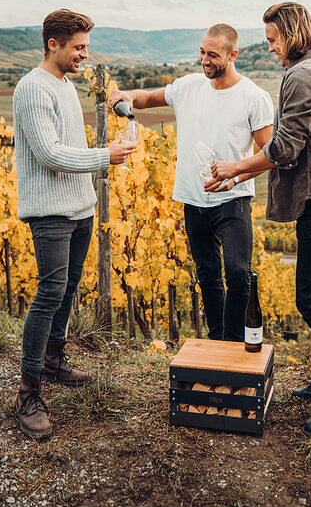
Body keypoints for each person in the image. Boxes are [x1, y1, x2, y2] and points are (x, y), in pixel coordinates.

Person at [211, 2, 311, 437]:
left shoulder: (302, 76)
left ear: (293, 34)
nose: (271, 48)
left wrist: (235, 168)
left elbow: (285, 148)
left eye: (274, 40)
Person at [107, 24, 274, 342]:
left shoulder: (254, 97)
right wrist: (128, 95)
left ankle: (235, 342)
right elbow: (145, 99)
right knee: (207, 275)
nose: (205, 60)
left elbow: (269, 156)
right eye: (202, 52)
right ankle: (218, 342)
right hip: (193, 200)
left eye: (213, 54)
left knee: (238, 274)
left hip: (232, 199)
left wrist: (236, 176)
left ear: (233, 55)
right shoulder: (188, 87)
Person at [13, 9, 134, 439]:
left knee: (67, 288)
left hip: (81, 206)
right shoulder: (32, 88)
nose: (85, 54)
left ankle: (53, 360)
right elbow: (49, 154)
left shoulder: (64, 85)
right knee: (49, 293)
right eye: (79, 47)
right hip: (50, 211)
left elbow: (68, 149)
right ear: (54, 45)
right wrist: (106, 156)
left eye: (86, 46)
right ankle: (27, 393)